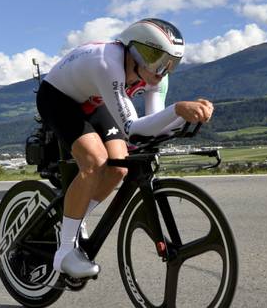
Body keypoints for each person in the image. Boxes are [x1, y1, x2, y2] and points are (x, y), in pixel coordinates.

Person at [36, 18, 214, 278]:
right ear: (135, 51)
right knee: (95, 160)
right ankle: (64, 253)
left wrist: (187, 116)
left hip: (94, 99)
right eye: (157, 59)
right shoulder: (108, 63)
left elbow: (153, 128)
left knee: (120, 167)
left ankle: (76, 216)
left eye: (171, 63)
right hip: (58, 97)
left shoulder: (155, 78)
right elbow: (134, 127)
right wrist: (177, 110)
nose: (162, 70)